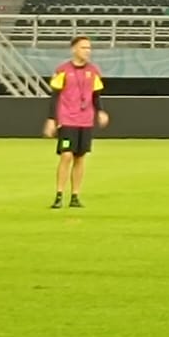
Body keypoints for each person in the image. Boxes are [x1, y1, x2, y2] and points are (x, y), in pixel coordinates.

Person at [43, 35, 109, 209]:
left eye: (89, 48)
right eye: (83, 48)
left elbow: (96, 95)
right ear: (74, 49)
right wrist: (52, 119)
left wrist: (100, 111)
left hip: (85, 120)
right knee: (66, 155)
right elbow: (55, 95)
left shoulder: (93, 71)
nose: (87, 51)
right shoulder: (62, 70)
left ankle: (75, 196)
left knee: (80, 157)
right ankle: (58, 195)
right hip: (67, 119)